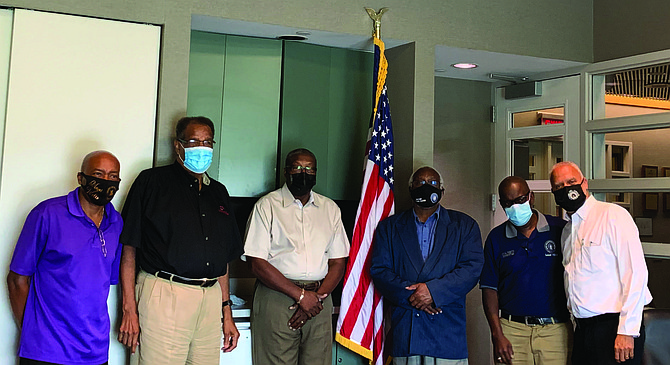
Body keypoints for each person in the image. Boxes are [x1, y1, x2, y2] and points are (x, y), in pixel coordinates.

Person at [117, 116, 244, 365]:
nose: (202, 148)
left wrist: (226, 311)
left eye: (207, 142)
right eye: (194, 141)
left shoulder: (218, 192)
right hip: (165, 294)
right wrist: (129, 309)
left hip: (209, 300)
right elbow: (129, 249)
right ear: (178, 145)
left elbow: (222, 260)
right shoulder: (151, 183)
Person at [7, 151, 123, 365]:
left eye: (113, 176)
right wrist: (34, 331)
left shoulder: (116, 223)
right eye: (98, 173)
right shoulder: (47, 214)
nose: (105, 181)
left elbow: (105, 283)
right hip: (46, 351)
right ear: (81, 178)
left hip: (94, 352)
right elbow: (17, 279)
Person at [243, 148, 350, 365]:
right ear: (286, 171)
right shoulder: (267, 206)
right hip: (277, 298)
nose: (304, 172)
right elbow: (257, 263)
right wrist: (301, 297)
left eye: (309, 168)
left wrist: (316, 298)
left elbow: (338, 261)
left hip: (320, 299)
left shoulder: (329, 209)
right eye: (297, 167)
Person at [370, 166, 484, 365]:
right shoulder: (389, 227)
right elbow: (380, 270)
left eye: (432, 183)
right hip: (407, 330)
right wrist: (415, 297)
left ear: (441, 190)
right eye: (420, 182)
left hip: (447, 331)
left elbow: (472, 268)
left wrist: (433, 292)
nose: (426, 187)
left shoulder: (465, 225)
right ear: (410, 188)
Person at [549, 161, 652, 365]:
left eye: (571, 182)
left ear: (584, 184)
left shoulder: (612, 215)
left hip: (615, 328)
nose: (567, 189)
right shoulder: (568, 232)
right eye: (559, 187)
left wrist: (626, 330)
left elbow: (635, 273)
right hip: (583, 330)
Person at [480, 176, 571, 365]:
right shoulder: (496, 239)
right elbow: (489, 288)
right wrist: (497, 334)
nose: (515, 207)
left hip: (555, 331)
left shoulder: (559, 230)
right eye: (509, 203)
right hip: (512, 330)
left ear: (531, 197)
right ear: (502, 204)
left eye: (521, 200)